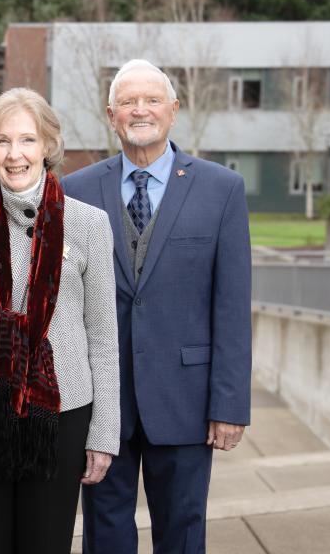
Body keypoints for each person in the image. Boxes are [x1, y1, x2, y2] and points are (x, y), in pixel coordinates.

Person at [62, 59, 252, 554]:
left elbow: (231, 306)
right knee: (104, 533)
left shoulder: (221, 189)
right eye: (128, 102)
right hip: (100, 402)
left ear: (174, 110)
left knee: (183, 531)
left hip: (186, 400)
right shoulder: (74, 191)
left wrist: (228, 404)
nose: (139, 110)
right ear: (111, 114)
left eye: (151, 100)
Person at [0, 87, 120, 554]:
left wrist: (104, 431)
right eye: (3, 141)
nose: (15, 155)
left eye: (28, 140)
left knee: (45, 542)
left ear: (48, 146)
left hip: (60, 412)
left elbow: (104, 337)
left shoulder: (89, 224)